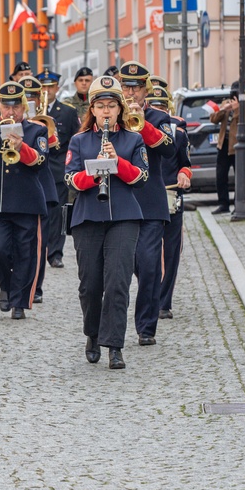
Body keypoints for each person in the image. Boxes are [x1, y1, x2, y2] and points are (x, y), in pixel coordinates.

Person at [66, 75, 149, 370]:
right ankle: (92, 334)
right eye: (100, 106)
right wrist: (96, 171)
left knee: (118, 283)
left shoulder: (133, 139)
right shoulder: (79, 141)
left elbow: (141, 177)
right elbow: (71, 179)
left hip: (125, 218)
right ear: (92, 109)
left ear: (119, 109)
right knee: (90, 285)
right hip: (88, 217)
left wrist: (117, 163)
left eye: (111, 105)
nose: (105, 111)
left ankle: (115, 345)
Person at [119, 61, 176, 347]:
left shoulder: (158, 116)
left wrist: (144, 124)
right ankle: (112, 327)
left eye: (136, 88)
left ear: (146, 89)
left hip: (150, 203)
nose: (130, 93)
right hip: (119, 201)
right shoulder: (109, 115)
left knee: (150, 265)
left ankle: (146, 327)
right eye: (126, 87)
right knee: (118, 270)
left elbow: (169, 149)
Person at [0, 81, 48, 320]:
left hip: (27, 200)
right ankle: (6, 284)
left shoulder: (37, 130)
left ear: (24, 107)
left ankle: (20, 301)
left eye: (15, 107)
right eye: (6, 107)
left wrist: (21, 147)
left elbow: (40, 161)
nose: (11, 112)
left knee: (26, 253)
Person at [147, 87, 191, 320]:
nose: (157, 112)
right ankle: (151, 291)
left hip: (171, 194)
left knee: (171, 250)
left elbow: (185, 162)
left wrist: (184, 174)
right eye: (153, 107)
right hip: (145, 195)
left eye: (161, 107)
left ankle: (164, 302)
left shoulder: (178, 133)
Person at [29, 71, 80, 270]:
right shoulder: (31, 111)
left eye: (51, 87)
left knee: (57, 212)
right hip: (36, 167)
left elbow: (75, 139)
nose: (47, 91)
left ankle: (55, 253)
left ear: (57, 88)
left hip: (58, 169)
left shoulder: (67, 112)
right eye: (43, 87)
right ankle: (39, 248)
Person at [209, 82, 245, 214]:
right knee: (220, 176)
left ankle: (239, 205)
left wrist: (237, 110)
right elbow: (213, 119)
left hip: (239, 147)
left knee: (240, 177)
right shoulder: (226, 103)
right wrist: (224, 109)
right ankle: (223, 204)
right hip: (223, 146)